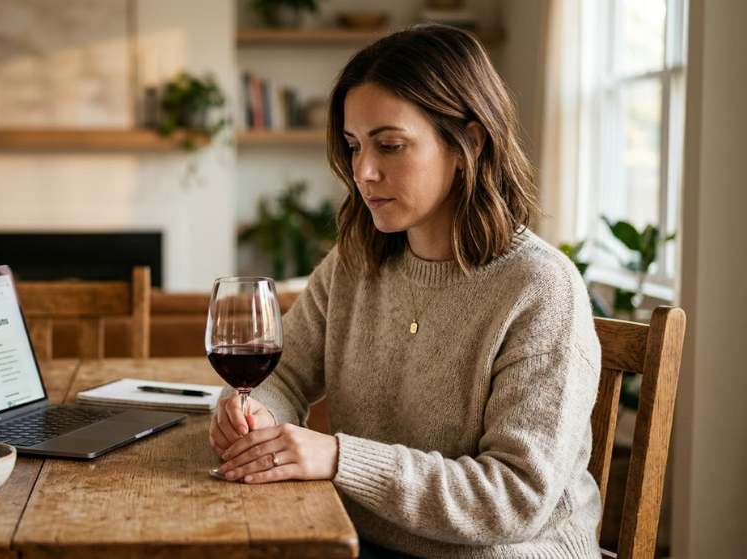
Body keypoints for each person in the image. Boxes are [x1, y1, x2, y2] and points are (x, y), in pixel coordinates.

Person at [208, 23, 602, 558]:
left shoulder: (539, 287)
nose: (363, 171)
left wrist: (340, 458)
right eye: (353, 146)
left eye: (390, 145)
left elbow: (514, 499)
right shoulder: (355, 264)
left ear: (468, 143)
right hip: (359, 540)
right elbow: (280, 377)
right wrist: (253, 415)